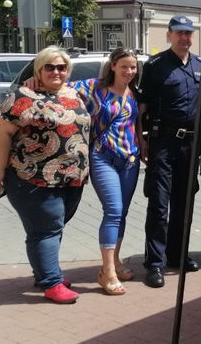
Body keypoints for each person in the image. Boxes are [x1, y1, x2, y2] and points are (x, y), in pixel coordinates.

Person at [25, 48, 142, 295]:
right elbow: (58, 84)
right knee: (113, 211)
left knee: (122, 213)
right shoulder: (94, 87)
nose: (129, 71)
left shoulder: (135, 92)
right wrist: (35, 81)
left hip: (130, 160)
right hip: (102, 157)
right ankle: (107, 272)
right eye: (124, 66)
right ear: (113, 66)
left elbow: (135, 123)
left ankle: (115, 262)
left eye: (133, 67)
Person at [0, 46, 90, 304]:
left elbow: (115, 77)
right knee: (46, 230)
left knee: (52, 227)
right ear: (38, 70)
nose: (56, 72)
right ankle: (51, 282)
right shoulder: (22, 96)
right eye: (49, 67)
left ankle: (45, 273)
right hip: (32, 178)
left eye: (61, 67)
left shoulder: (75, 93)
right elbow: (2, 134)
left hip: (71, 178)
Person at [137, 14, 201, 288]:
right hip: (163, 142)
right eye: (179, 33)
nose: (184, 38)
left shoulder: (200, 65)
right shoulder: (155, 65)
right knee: (159, 204)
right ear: (169, 35)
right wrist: (142, 140)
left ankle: (177, 254)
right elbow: (142, 107)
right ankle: (154, 263)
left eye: (188, 33)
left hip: (191, 144)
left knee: (184, 203)